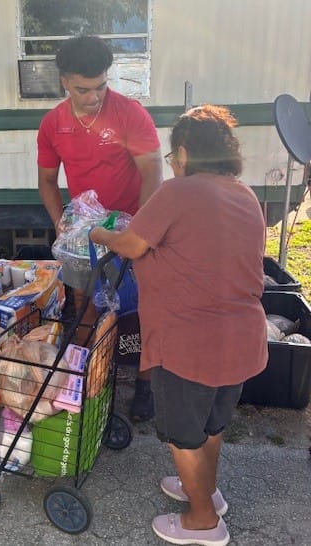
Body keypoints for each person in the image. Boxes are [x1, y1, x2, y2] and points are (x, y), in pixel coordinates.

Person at [90, 104, 268, 546]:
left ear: (184, 153)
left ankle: (203, 520)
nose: (172, 164)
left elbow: (131, 244)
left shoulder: (179, 192)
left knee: (183, 435)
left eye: (172, 157)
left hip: (189, 342)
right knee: (211, 424)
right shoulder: (245, 195)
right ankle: (206, 492)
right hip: (241, 338)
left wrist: (99, 234)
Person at [37, 35, 162, 421]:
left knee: (141, 311)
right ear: (64, 81)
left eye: (101, 87)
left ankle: (146, 385)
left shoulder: (130, 113)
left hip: (130, 230)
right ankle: (89, 378)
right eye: (83, 89)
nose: (94, 97)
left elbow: (152, 172)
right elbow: (47, 181)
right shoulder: (53, 124)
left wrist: (140, 229)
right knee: (85, 306)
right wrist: (62, 227)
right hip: (85, 234)